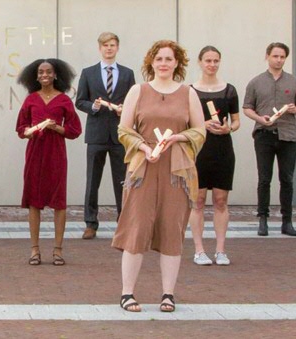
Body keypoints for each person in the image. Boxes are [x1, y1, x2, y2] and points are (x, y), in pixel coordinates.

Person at [112, 40, 206, 313]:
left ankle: (168, 294)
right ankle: (127, 293)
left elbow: (200, 131)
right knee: (136, 228)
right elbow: (124, 130)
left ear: (177, 63)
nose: (163, 63)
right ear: (151, 62)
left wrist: (178, 137)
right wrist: (143, 146)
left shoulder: (188, 93)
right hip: (143, 168)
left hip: (176, 171)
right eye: (159, 58)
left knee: (171, 229)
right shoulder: (137, 91)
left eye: (169, 59)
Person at [16, 58, 82, 266]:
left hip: (56, 154)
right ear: (35, 76)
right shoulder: (31, 100)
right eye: (40, 72)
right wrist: (28, 132)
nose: (44, 75)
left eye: (48, 72)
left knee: (58, 201)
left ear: (55, 75)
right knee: (34, 200)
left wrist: (56, 128)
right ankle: (35, 250)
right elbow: (21, 128)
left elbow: (74, 130)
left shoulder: (63, 100)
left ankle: (57, 250)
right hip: (35, 153)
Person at [73, 32, 135, 240]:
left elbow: (133, 103)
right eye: (106, 45)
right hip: (97, 134)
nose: (109, 48)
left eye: (113, 45)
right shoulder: (88, 73)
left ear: (118, 48)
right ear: (99, 48)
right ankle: (91, 223)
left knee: (122, 180)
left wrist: (124, 110)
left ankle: (123, 221)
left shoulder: (127, 74)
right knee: (93, 181)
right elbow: (80, 101)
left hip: (120, 134)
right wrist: (94, 106)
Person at [242, 42, 296, 237]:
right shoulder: (256, 82)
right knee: (264, 178)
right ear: (267, 57)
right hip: (264, 134)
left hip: (288, 136)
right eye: (275, 56)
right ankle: (263, 220)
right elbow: (247, 108)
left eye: (282, 57)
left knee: (287, 179)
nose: (278, 60)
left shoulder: (295, 82)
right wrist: (259, 119)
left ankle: (287, 221)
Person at [187, 46, 239, 266]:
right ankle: (199, 250)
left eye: (216, 61)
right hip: (199, 150)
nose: (212, 64)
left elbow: (236, 120)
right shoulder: (190, 91)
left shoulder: (229, 90)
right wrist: (202, 124)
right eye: (208, 60)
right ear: (199, 62)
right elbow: (184, 121)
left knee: (220, 200)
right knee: (197, 200)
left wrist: (229, 128)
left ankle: (220, 250)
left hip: (222, 148)